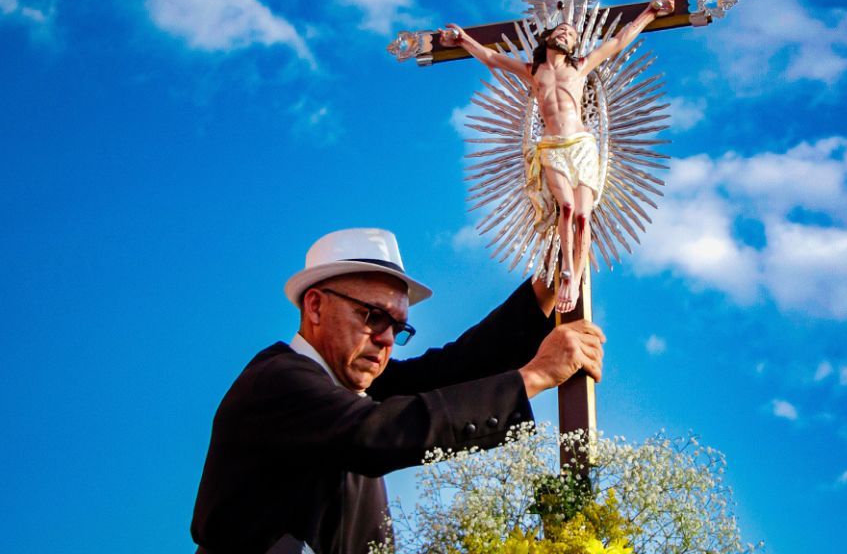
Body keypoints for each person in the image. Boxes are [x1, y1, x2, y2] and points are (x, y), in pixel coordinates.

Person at [191, 228, 605, 554]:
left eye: (398, 327)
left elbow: (452, 372)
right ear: (315, 307)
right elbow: (375, 432)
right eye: (373, 316)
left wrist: (547, 288)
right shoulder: (278, 382)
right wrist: (534, 376)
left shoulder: (355, 389)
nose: (386, 339)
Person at [441, 0, 676, 313]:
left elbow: (620, 40)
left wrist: (650, 12)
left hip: (580, 144)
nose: (567, 35)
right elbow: (492, 58)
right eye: (562, 31)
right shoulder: (533, 71)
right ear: (548, 37)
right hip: (551, 146)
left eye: (573, 35)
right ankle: (566, 270)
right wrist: (464, 39)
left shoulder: (580, 66)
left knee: (582, 214)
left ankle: (574, 276)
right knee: (565, 208)